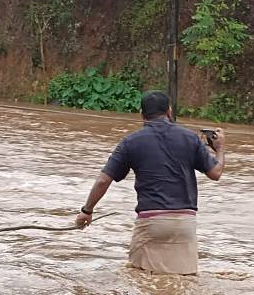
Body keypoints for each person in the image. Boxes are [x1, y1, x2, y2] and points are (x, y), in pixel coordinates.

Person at [75, 91, 225, 275]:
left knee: (140, 278)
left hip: (151, 222)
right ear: (169, 111)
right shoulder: (190, 138)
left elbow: (103, 180)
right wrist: (219, 149)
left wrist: (87, 211)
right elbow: (216, 173)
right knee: (186, 281)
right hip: (185, 222)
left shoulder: (131, 142)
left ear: (142, 114)